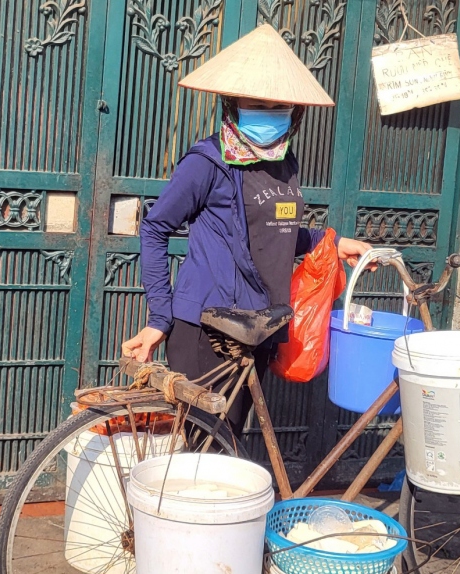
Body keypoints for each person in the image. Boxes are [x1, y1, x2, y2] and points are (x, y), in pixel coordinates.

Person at [122, 25, 373, 430]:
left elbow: (277, 231)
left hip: (257, 326)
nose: (268, 113)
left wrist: (333, 243)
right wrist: (159, 316)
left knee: (228, 444)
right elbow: (154, 229)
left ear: (295, 112)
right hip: (206, 328)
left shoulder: (284, 163)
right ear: (232, 104)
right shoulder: (207, 162)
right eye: (257, 103)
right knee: (206, 451)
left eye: (278, 106)